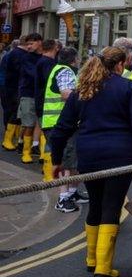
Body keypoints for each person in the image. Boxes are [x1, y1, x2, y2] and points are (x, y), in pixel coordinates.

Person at [49, 47, 132, 277]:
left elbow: (61, 130)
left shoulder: (83, 89)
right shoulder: (128, 87)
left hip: (88, 155)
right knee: (112, 205)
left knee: (96, 204)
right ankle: (104, 268)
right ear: (119, 65)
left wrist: (56, 160)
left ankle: (91, 260)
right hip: (121, 154)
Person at [40, 47, 87, 212]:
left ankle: (72, 193)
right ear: (74, 59)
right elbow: (66, 93)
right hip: (59, 124)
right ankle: (63, 198)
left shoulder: (61, 69)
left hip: (62, 123)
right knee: (66, 162)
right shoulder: (66, 71)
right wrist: (88, 95)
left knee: (72, 160)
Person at [6, 33, 42, 163]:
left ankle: (32, 146)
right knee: (28, 124)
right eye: (27, 44)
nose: (28, 47)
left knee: (37, 123)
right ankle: (25, 151)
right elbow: (33, 74)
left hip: (40, 94)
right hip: (28, 93)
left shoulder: (43, 56)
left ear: (39, 42)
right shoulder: (26, 58)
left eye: (31, 44)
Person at [33, 39, 61, 167]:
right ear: (55, 48)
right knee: (51, 138)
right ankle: (48, 169)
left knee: (48, 135)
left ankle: (46, 163)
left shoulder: (42, 61)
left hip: (43, 103)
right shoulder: (47, 63)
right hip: (46, 105)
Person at [1, 39, 20, 150]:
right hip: (7, 86)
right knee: (10, 109)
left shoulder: (8, 55)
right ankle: (9, 133)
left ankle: (10, 131)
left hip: (5, 84)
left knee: (8, 109)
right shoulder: (11, 56)